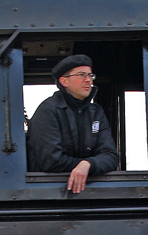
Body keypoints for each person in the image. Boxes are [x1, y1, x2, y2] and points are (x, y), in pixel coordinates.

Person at [26, 54, 119, 193]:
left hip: (87, 191)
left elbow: (111, 156)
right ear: (64, 81)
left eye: (90, 75)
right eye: (81, 75)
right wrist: (83, 165)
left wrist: (88, 164)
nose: (88, 80)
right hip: (48, 192)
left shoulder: (96, 112)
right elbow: (50, 161)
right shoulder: (48, 111)